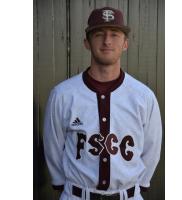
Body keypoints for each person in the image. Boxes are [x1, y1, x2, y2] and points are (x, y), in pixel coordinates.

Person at [43, 7, 162, 200]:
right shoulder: (63, 94)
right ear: (86, 43)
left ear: (125, 44)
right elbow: (53, 146)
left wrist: (139, 184)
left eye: (115, 34)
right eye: (99, 34)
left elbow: (151, 149)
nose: (107, 41)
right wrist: (61, 181)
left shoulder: (143, 96)